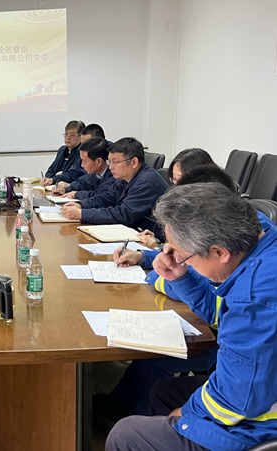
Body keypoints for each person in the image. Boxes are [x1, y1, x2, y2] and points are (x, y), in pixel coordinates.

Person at [106, 183, 277, 451]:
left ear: (220, 252)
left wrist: (187, 414)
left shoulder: (255, 298)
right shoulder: (259, 236)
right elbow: (221, 314)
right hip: (258, 388)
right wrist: (182, 277)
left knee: (125, 434)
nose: (176, 259)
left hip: (262, 421)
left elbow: (237, 399)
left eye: (183, 256)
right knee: (164, 391)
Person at [61, 137, 169, 236]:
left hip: (152, 239)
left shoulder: (146, 181)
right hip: (133, 232)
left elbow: (124, 215)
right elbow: (106, 198)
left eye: (115, 162)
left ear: (134, 162)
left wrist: (82, 214)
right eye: (110, 162)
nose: (110, 167)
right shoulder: (125, 177)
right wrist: (82, 205)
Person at [54, 137, 122, 199]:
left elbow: (98, 195)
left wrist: (77, 194)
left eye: (84, 161)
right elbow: (82, 184)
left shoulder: (113, 176)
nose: (82, 165)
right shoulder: (95, 174)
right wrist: (65, 189)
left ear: (99, 162)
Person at [55, 123, 107, 193]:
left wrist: (76, 193)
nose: (82, 147)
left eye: (86, 144)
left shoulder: (110, 164)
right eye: (82, 143)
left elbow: (101, 195)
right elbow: (84, 180)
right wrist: (68, 187)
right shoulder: (85, 155)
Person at [41, 120, 86, 186]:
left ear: (80, 137)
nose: (68, 137)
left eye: (72, 135)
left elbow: (73, 175)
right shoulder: (62, 150)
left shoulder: (82, 153)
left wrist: (54, 180)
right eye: (66, 134)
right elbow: (51, 171)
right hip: (54, 185)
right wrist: (49, 180)